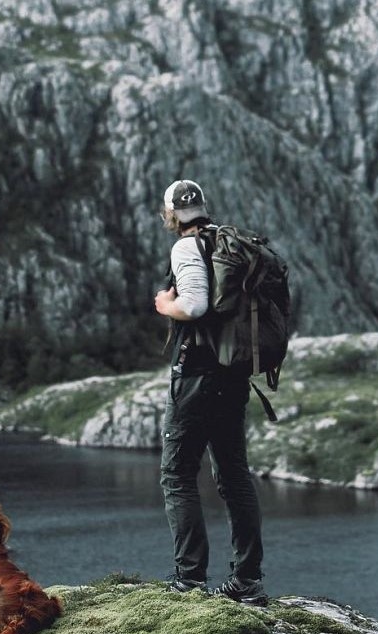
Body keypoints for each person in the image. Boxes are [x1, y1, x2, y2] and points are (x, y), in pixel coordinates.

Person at [153, 179, 267, 606]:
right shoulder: (227, 242)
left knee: (177, 474)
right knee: (234, 475)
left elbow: (196, 305)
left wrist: (166, 305)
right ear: (202, 206)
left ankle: (189, 579)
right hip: (232, 373)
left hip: (197, 375)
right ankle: (247, 581)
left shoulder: (187, 247)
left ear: (170, 214)